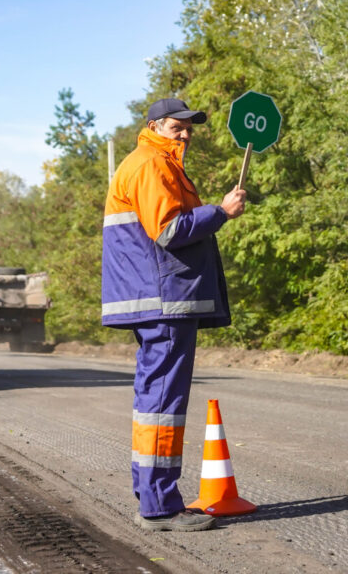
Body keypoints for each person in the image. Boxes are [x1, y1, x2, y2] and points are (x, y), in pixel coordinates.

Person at [101, 97, 246, 532]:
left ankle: (151, 495)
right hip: (163, 301)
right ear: (153, 126)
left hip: (157, 300)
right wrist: (221, 212)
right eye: (175, 126)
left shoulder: (153, 163)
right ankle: (161, 507)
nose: (185, 133)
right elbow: (170, 231)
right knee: (163, 404)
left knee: (154, 404)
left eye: (188, 127)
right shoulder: (150, 164)